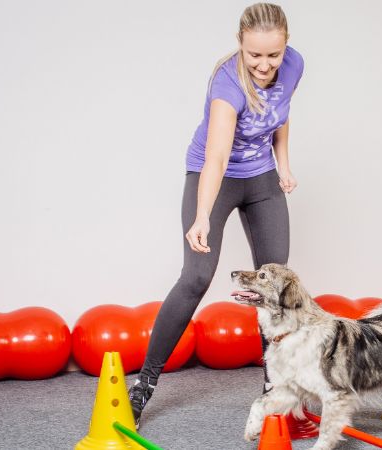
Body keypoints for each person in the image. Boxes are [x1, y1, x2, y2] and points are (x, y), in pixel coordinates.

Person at [128, 2, 303, 429]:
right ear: (240, 46)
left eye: (273, 55)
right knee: (196, 277)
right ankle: (144, 384)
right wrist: (203, 214)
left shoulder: (294, 65)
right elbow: (217, 155)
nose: (264, 65)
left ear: (285, 47)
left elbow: (281, 114)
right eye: (254, 55)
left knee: (276, 282)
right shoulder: (226, 85)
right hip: (217, 177)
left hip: (261, 180)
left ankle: (274, 396)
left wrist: (283, 163)